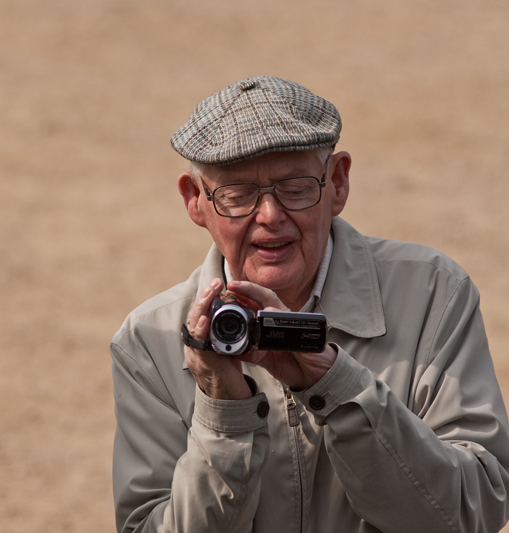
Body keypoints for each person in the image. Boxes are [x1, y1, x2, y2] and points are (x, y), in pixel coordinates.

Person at [111, 76, 509, 532]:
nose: (269, 216)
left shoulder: (432, 295)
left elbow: (471, 511)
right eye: (237, 194)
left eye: (295, 187)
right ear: (195, 200)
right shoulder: (149, 341)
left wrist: (339, 385)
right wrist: (223, 413)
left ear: (338, 182)